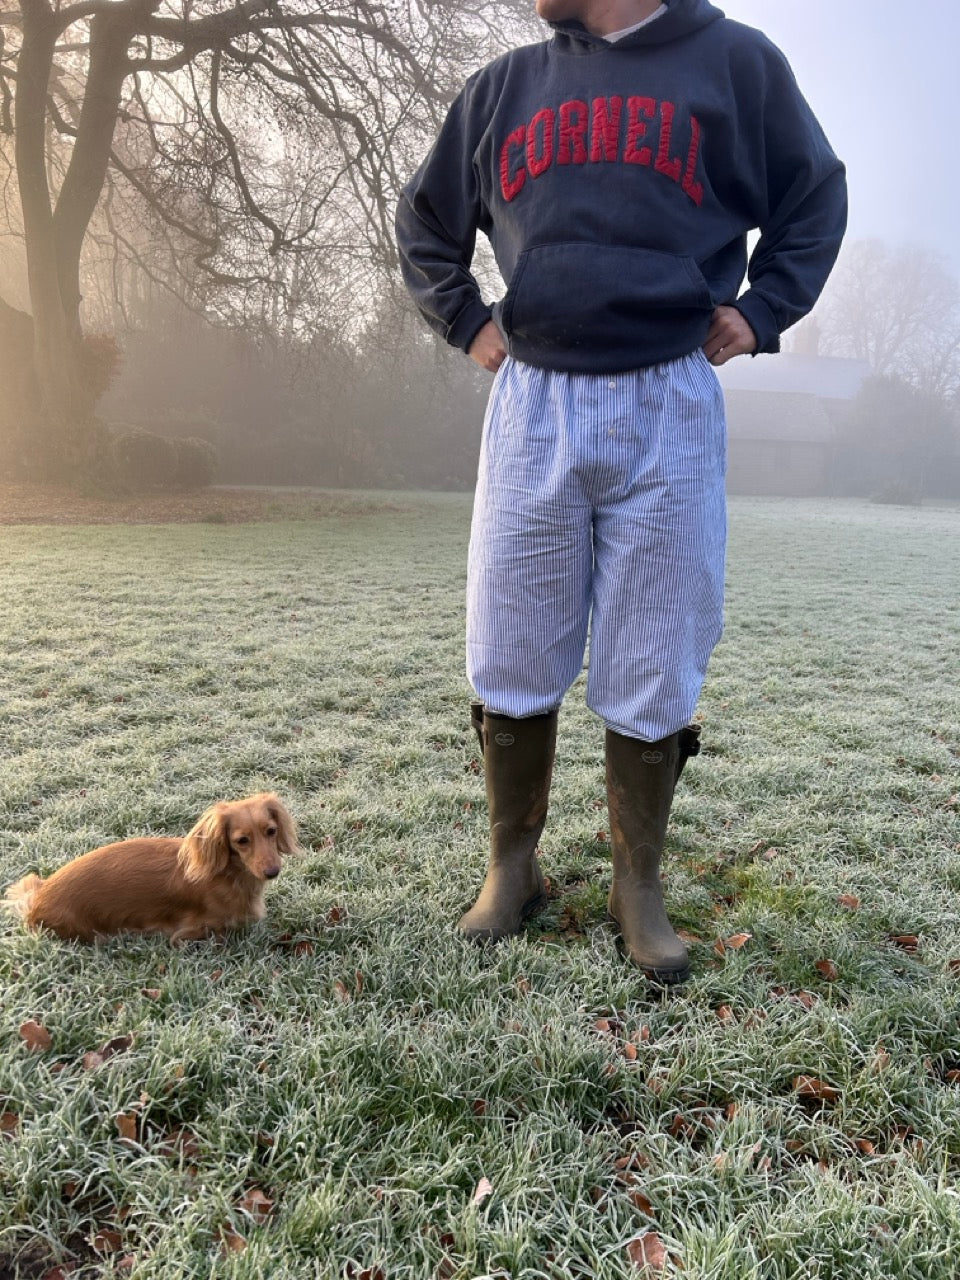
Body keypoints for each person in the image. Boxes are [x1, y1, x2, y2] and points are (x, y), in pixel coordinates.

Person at [395, 0, 847, 983]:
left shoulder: (736, 65)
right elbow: (426, 218)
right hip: (535, 396)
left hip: (668, 393)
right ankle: (513, 867)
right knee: (511, 638)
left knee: (657, 642)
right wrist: (466, 315)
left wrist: (766, 307)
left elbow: (815, 194)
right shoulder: (506, 87)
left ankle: (635, 883)